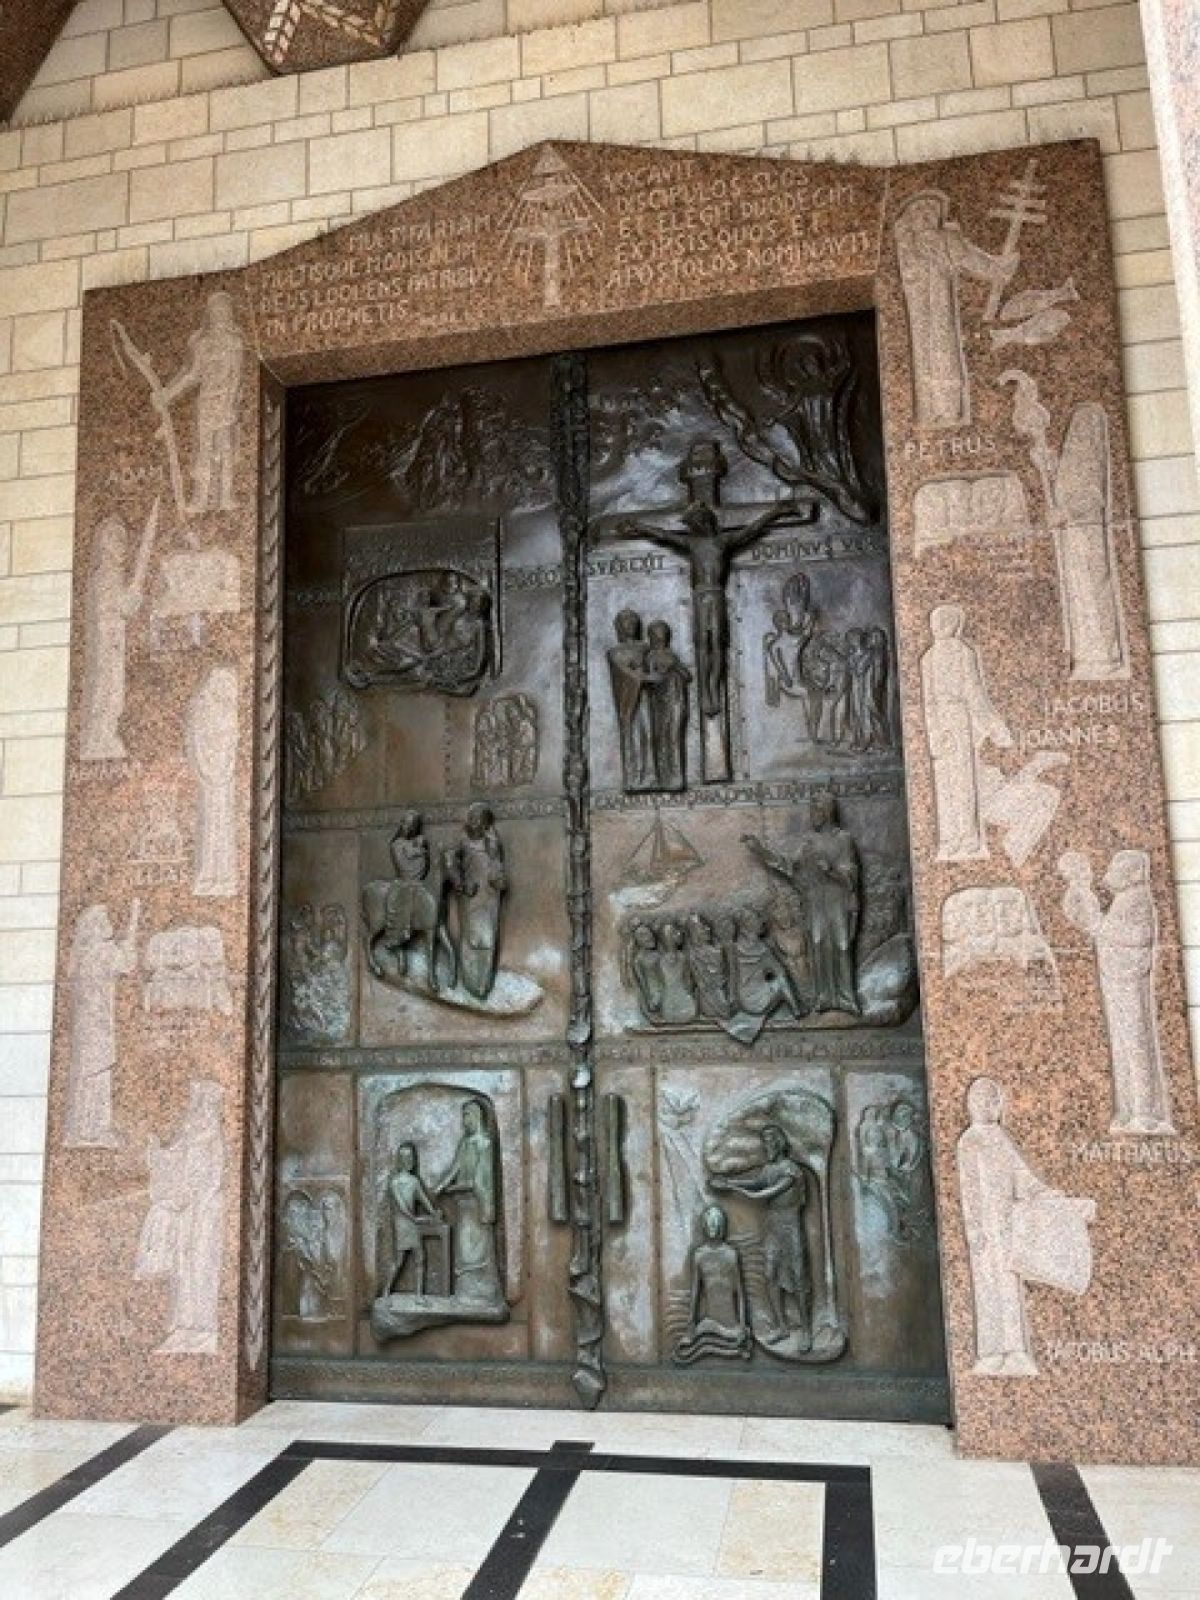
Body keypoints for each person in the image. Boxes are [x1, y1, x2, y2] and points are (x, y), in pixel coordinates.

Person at [920, 604, 1013, 861]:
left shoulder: (962, 653)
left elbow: (973, 693)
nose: (939, 627)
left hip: (958, 718)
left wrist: (992, 725)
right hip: (943, 719)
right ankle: (952, 838)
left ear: (953, 625)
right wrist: (934, 734)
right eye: (936, 622)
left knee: (960, 779)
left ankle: (966, 836)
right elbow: (929, 700)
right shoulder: (929, 658)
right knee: (947, 780)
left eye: (943, 622)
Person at [711, 1124, 812, 1349]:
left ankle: (806, 1331)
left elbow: (765, 1193)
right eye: (765, 1143)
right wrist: (729, 1182)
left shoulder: (791, 1170)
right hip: (773, 1227)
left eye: (771, 1142)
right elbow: (757, 1182)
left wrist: (735, 1190)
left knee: (798, 1277)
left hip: (790, 1227)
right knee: (770, 1275)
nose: (767, 1147)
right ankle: (782, 1327)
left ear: (780, 1143)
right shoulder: (769, 1169)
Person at [65, 901, 141, 1148]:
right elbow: (127, 963)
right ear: (96, 927)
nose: (109, 923)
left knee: (90, 1073)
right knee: (96, 1073)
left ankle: (87, 1128)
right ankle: (92, 1130)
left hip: (88, 1023)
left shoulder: (85, 954)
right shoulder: (101, 952)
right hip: (97, 1024)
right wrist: (134, 920)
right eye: (105, 919)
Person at [161, 291, 244, 513]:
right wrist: (169, 394)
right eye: (217, 311)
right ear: (210, 314)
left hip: (225, 401)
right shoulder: (202, 344)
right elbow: (193, 374)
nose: (221, 315)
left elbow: (236, 376)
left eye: (225, 310)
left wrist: (230, 403)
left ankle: (226, 497)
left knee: (225, 449)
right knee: (204, 451)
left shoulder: (235, 342)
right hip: (207, 402)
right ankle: (200, 499)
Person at [436, 1099, 504, 1306]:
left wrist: (454, 1189)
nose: (464, 1121)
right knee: (464, 1249)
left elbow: (479, 1181)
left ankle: (484, 1295)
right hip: (464, 1206)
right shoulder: (465, 1143)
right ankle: (465, 1293)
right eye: (463, 1116)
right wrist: (440, 1186)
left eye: (466, 1115)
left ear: (477, 1116)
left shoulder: (485, 1143)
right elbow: (455, 1168)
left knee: (479, 1249)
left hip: (478, 1205)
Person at [673, 1204, 753, 1365]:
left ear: (722, 1226)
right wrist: (691, 1323)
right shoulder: (699, 1255)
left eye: (716, 1222)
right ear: (704, 1225)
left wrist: (743, 1324)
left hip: (731, 1324)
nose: (713, 1226)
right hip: (709, 1322)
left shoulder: (731, 1254)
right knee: (686, 1349)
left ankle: (736, 1346)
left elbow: (740, 1293)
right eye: (710, 1222)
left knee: (739, 1343)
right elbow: (695, 1291)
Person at [452, 804, 507, 999]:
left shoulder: (493, 843)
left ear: (486, 823)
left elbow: (497, 868)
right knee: (470, 938)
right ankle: (469, 981)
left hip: (489, 896)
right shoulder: (463, 842)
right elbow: (451, 864)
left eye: (478, 818)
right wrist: (461, 884)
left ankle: (483, 983)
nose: (474, 822)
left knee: (488, 938)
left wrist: (494, 854)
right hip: (470, 895)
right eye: (471, 818)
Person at [383, 1143, 443, 1297]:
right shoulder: (395, 1182)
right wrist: (415, 1219)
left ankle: (418, 1295)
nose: (410, 1160)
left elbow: (424, 1199)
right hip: (402, 1224)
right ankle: (386, 1290)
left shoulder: (414, 1181)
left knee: (420, 1258)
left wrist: (433, 1213)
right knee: (399, 1261)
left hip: (413, 1224)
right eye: (406, 1157)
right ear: (400, 1160)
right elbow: (401, 1206)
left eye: (411, 1157)